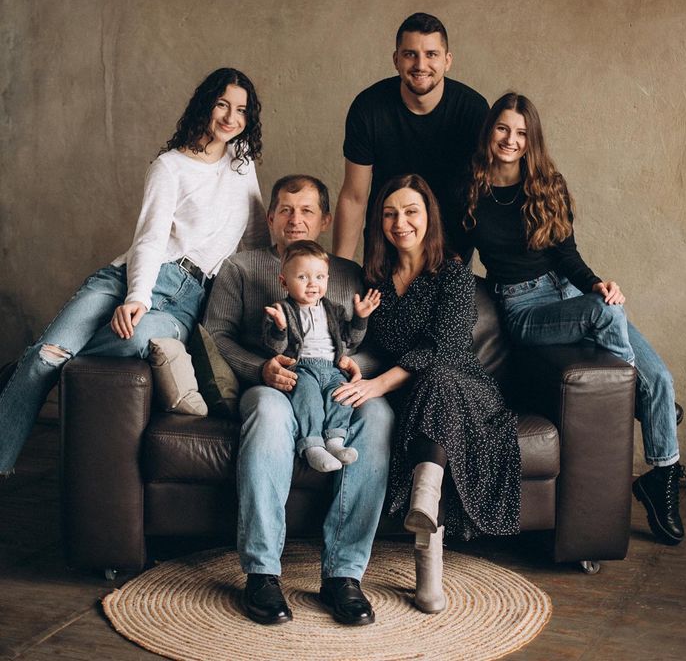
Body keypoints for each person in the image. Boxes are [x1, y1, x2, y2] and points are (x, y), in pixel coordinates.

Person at [0, 67, 269, 475]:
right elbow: (150, 238)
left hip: (189, 298)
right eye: (222, 105)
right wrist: (137, 297)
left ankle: (25, 370)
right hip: (131, 279)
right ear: (205, 105)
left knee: (130, 340)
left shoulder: (241, 163)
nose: (231, 118)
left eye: (241, 110)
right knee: (43, 359)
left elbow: (255, 239)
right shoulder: (169, 166)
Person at [462, 92, 685, 546]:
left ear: (532, 139)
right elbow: (456, 259)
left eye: (522, 133)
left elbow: (567, 256)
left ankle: (661, 476)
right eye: (503, 129)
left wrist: (599, 284)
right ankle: (632, 403)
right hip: (522, 309)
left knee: (659, 379)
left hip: (568, 293)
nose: (511, 140)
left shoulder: (548, 185)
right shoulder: (469, 188)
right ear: (490, 131)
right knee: (619, 340)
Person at [204, 175, 393, 627]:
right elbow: (217, 334)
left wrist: (356, 366)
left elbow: (365, 339)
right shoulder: (242, 267)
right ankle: (263, 573)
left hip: (334, 384)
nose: (296, 220)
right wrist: (260, 368)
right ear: (270, 218)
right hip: (273, 386)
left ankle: (343, 575)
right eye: (286, 210)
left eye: (307, 211)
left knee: (379, 415)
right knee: (269, 416)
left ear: (325, 220)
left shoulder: (346, 274)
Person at [334, 174, 521, 614]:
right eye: (390, 213)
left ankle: (425, 510)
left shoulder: (453, 274)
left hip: (464, 388)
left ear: (428, 217)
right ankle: (426, 524)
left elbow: (445, 347)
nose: (401, 222)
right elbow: (372, 345)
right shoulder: (375, 280)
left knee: (436, 379)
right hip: (414, 395)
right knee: (427, 390)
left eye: (411, 211)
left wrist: (377, 384)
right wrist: (355, 363)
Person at [333, 12, 489, 260]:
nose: (420, 65)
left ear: (447, 60)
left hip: (451, 246)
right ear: (396, 59)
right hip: (389, 240)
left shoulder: (473, 110)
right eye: (410, 54)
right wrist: (340, 269)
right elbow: (354, 196)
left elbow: (485, 191)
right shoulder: (369, 107)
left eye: (431, 54)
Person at [262, 239, 381, 472]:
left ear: (327, 279)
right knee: (309, 400)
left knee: (342, 397)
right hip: (302, 368)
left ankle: (335, 441)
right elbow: (274, 349)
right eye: (302, 277)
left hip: (333, 369)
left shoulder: (334, 309)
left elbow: (351, 340)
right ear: (284, 282)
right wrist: (280, 328)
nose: (312, 284)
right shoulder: (282, 310)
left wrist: (360, 318)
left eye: (319, 277)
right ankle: (312, 444)